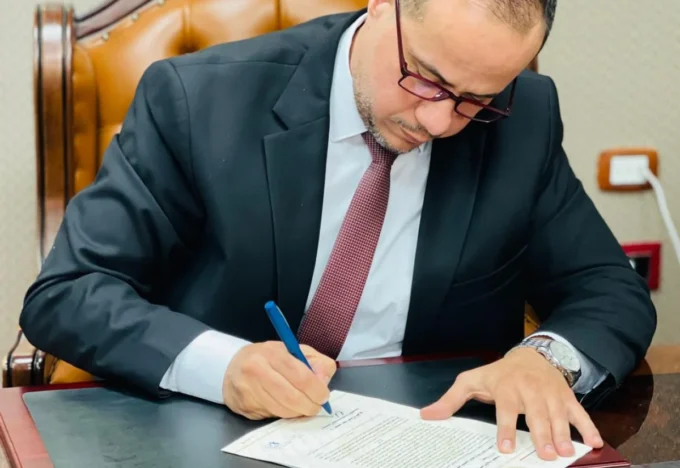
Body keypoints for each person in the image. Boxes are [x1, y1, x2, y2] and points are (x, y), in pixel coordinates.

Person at [19, 0, 655, 461]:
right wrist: (224, 365)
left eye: (475, 100)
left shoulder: (525, 119)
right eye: (426, 79)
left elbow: (608, 288)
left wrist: (545, 359)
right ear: (381, 6)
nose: (438, 123)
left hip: (432, 441)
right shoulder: (199, 100)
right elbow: (69, 291)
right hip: (218, 438)